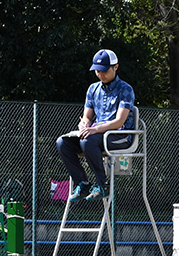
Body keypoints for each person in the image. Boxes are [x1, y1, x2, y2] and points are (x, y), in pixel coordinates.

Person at [55, 49, 136, 203]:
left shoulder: (126, 89)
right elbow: (87, 116)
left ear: (116, 67)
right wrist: (84, 124)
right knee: (62, 142)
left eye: (104, 70)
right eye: (97, 71)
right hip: (96, 135)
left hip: (119, 136)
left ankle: (102, 184)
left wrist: (94, 129)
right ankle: (82, 183)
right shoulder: (92, 89)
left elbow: (119, 121)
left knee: (88, 141)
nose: (100, 74)